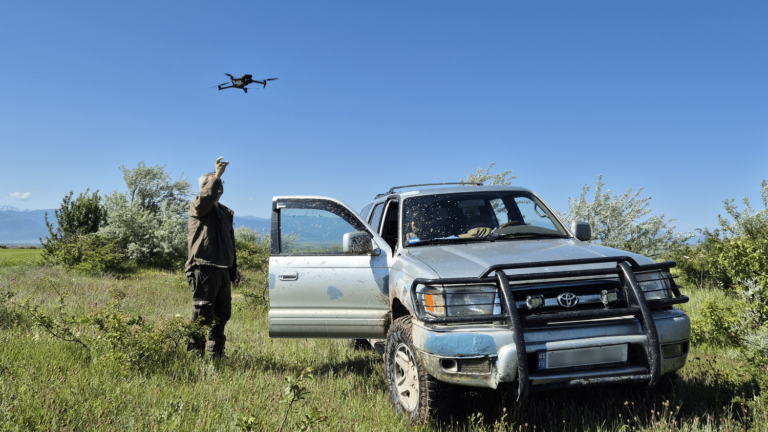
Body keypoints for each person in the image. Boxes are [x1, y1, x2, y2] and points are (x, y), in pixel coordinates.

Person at [185, 156, 238, 358]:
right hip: (204, 267)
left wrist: (232, 270)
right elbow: (205, 198)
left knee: (221, 316)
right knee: (202, 314)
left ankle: (216, 356)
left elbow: (229, 244)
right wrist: (216, 174)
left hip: (222, 269)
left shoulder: (224, 212)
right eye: (214, 182)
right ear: (204, 188)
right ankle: (194, 357)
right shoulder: (198, 206)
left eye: (220, 182)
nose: (218, 184)